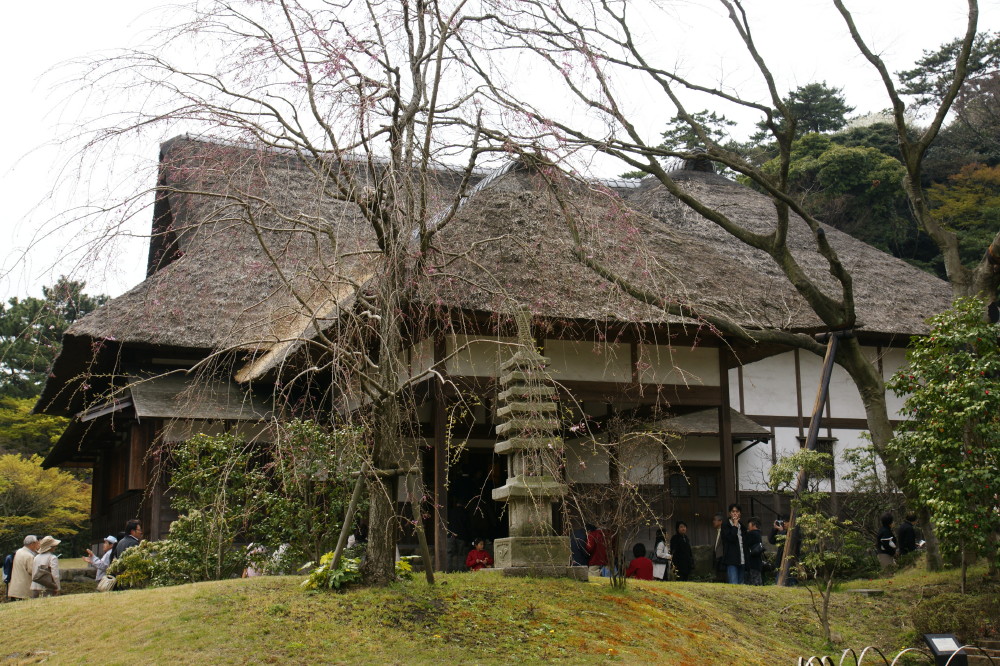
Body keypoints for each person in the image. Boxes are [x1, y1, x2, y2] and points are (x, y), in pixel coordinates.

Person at [721, 503, 747, 585]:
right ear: (730, 513)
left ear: (740, 513)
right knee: (733, 584)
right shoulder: (725, 525)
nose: (735, 513)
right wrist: (735, 525)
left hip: (742, 558)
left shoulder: (742, 527)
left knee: (741, 584)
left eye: (737, 511)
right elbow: (731, 538)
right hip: (731, 559)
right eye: (733, 511)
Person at [7, 535, 39, 601]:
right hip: (23, 590)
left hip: (14, 588)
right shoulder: (29, 556)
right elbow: (32, 571)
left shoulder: (19, 551)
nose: (37, 544)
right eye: (36, 543)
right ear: (32, 544)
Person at [745, 517, 764, 586]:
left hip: (752, 562)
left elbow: (746, 543)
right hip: (757, 562)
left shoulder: (752, 534)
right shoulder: (759, 534)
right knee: (758, 581)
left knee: (753, 582)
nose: (748, 527)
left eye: (749, 525)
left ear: (754, 525)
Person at [711, 513, 726, 582]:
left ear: (720, 521)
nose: (713, 522)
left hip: (722, 558)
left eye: (715, 520)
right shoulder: (716, 532)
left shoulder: (724, 531)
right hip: (717, 558)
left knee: (722, 578)